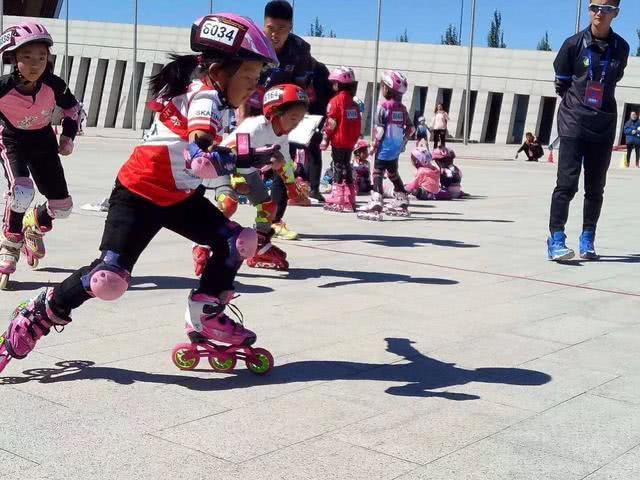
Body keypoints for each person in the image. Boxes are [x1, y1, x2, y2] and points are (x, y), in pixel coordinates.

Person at [0, 14, 280, 373]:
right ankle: (38, 313)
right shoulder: (205, 99)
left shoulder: (217, 98)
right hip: (137, 195)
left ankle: (207, 314)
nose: (254, 86)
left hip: (178, 198)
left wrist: (249, 159)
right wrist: (240, 163)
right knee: (108, 280)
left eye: (258, 78)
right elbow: (202, 160)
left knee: (238, 241)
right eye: (250, 76)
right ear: (221, 69)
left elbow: (216, 151)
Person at [0, 23, 81, 289]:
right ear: (12, 59)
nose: (35, 64)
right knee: (22, 192)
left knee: (63, 207)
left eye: (41, 58)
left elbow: (72, 110)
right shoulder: (2, 88)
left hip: (43, 140)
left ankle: (35, 223)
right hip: (12, 140)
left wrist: (68, 136)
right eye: (27, 57)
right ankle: (10, 244)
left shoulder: (54, 84)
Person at [195, 84, 309, 272]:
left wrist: (292, 188)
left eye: (300, 120)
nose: (296, 124)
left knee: (268, 207)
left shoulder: (281, 136)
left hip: (246, 171)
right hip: (221, 167)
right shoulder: (254, 128)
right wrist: (238, 180)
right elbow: (228, 150)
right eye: (293, 118)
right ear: (275, 112)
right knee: (229, 204)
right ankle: (203, 243)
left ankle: (259, 246)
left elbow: (286, 164)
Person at [548, 0, 629, 261]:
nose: (598, 13)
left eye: (605, 9)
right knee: (567, 183)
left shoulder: (621, 48)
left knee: (595, 187)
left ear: (615, 13)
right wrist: (578, 102)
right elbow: (562, 83)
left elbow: (613, 80)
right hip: (574, 121)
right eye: (594, 7)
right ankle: (556, 238)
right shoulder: (573, 44)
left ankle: (588, 237)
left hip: (603, 124)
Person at [261, 0, 333, 203]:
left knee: (283, 163)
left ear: (290, 27)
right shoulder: (254, 45)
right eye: (270, 28)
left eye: (281, 29)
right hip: (256, 112)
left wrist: (294, 119)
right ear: (263, 25)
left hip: (284, 114)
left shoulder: (300, 50)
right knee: (242, 167)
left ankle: (274, 222)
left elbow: (301, 89)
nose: (275, 34)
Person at [357, 70, 414, 220]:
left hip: (384, 147)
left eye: (382, 86)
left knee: (377, 172)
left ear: (387, 89)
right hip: (395, 147)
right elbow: (411, 128)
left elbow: (380, 129)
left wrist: (374, 145)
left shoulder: (384, 106)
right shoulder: (402, 109)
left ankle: (376, 200)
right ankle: (402, 197)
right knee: (393, 172)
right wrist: (403, 142)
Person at [321, 66, 362, 213]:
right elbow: (358, 124)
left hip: (339, 140)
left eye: (333, 83)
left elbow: (331, 123)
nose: (332, 85)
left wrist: (325, 139)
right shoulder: (354, 103)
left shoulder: (335, 101)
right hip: (350, 141)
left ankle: (338, 198)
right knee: (347, 167)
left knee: (338, 166)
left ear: (338, 84)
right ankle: (350, 199)